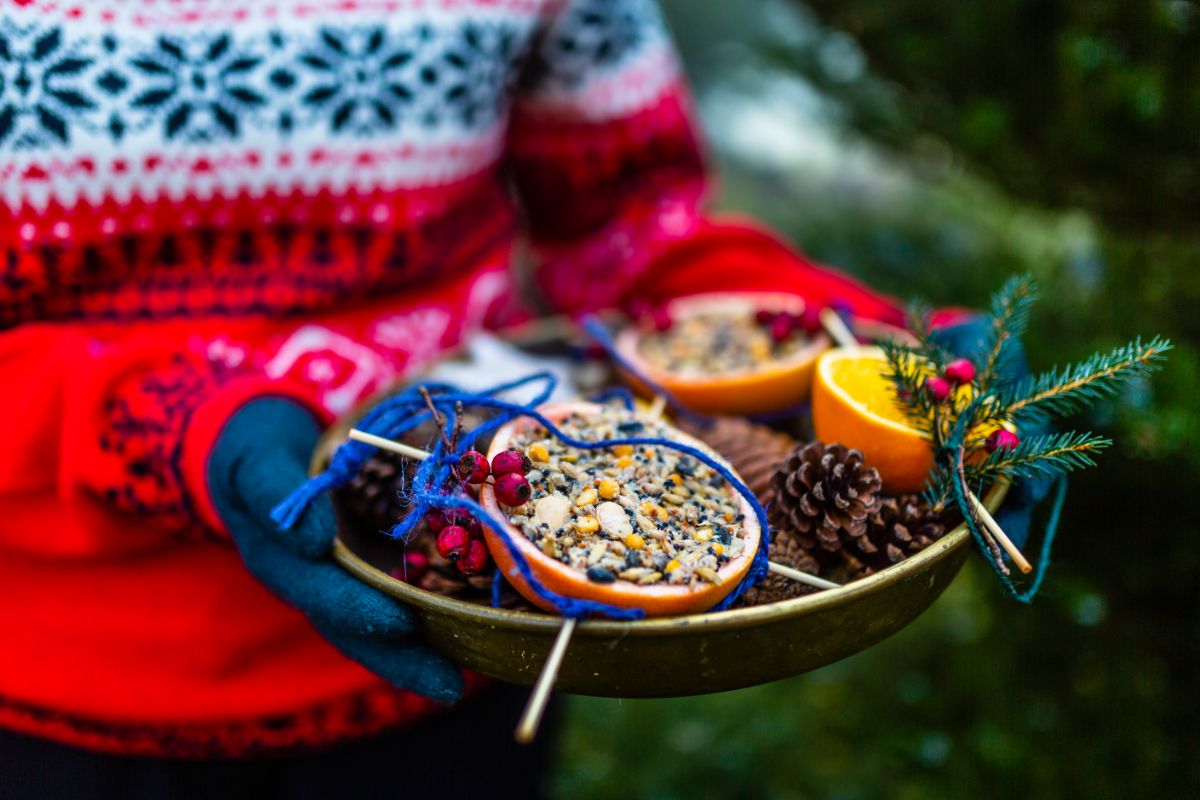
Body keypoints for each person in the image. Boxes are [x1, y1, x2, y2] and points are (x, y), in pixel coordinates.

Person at [0, 1, 900, 796]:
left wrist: (889, 354)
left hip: (468, 639)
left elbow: (630, 229)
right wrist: (173, 424)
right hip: (55, 708)